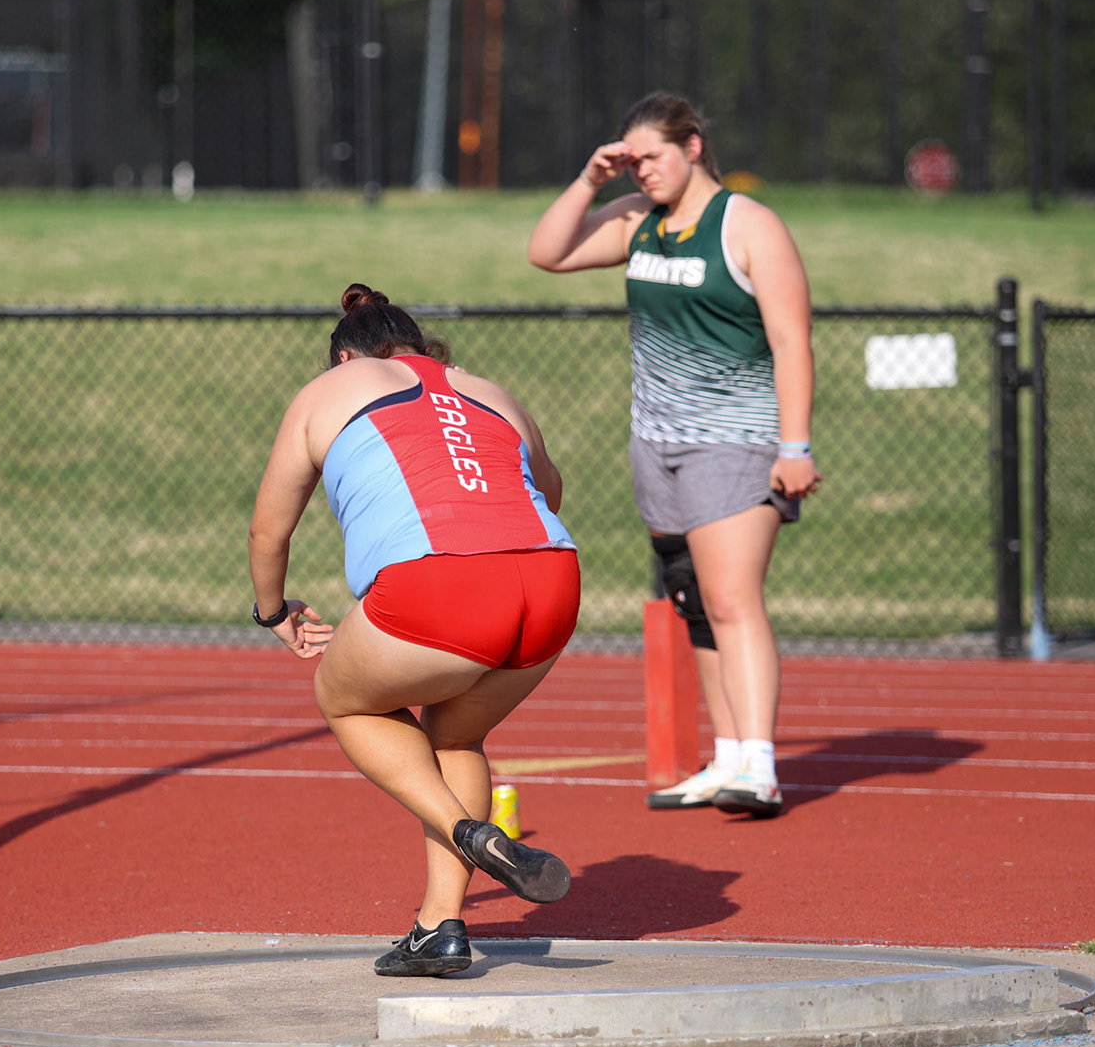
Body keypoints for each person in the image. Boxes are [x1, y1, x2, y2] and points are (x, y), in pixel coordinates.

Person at [248, 283, 583, 975]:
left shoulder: (328, 389)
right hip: (552, 581)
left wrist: (274, 610)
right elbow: (548, 489)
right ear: (421, 348)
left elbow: (268, 526)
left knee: (343, 699)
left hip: (441, 583)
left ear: (346, 355)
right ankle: (441, 926)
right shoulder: (488, 389)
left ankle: (471, 832)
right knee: (456, 735)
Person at [525, 92, 818, 818]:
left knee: (730, 599)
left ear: (692, 147)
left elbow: (791, 341)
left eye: (651, 157)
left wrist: (796, 444)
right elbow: (547, 252)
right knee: (691, 603)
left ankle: (759, 764)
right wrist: (593, 179)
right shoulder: (637, 222)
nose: (641, 172)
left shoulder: (747, 225)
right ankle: (727, 759)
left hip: (738, 438)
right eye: (630, 161)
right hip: (657, 443)